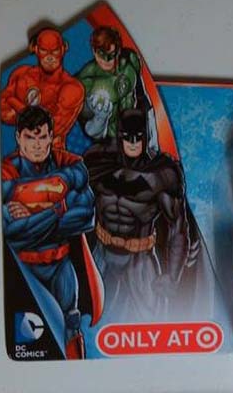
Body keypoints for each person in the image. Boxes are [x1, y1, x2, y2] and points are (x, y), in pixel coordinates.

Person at [1, 106, 103, 359]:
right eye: (30, 137)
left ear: (51, 137)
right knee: (28, 338)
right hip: (26, 270)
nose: (37, 145)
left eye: (43, 137)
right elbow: (14, 232)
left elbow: (86, 216)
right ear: (19, 138)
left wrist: (32, 211)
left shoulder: (67, 163)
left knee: (71, 322)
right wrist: (58, 208)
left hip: (60, 264)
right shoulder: (5, 171)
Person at [84, 109, 198, 321]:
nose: (134, 142)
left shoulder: (161, 173)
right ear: (119, 135)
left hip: (139, 259)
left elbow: (177, 227)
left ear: (147, 136)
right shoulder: (98, 161)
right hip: (102, 253)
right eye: (128, 137)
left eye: (139, 137)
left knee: (152, 320)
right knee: (95, 317)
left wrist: (173, 276)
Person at [0, 28, 84, 150]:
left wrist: (13, 101)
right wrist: (35, 116)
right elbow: (3, 114)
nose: (49, 57)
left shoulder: (72, 88)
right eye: (44, 51)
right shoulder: (22, 74)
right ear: (36, 49)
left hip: (52, 155)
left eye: (55, 51)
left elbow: (47, 130)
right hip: (21, 152)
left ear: (63, 49)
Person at [77, 26, 157, 151]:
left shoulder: (131, 60)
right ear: (94, 51)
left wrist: (151, 136)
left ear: (118, 51)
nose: (106, 60)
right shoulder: (87, 77)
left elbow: (142, 95)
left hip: (137, 124)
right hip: (110, 137)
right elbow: (88, 123)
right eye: (101, 54)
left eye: (111, 55)